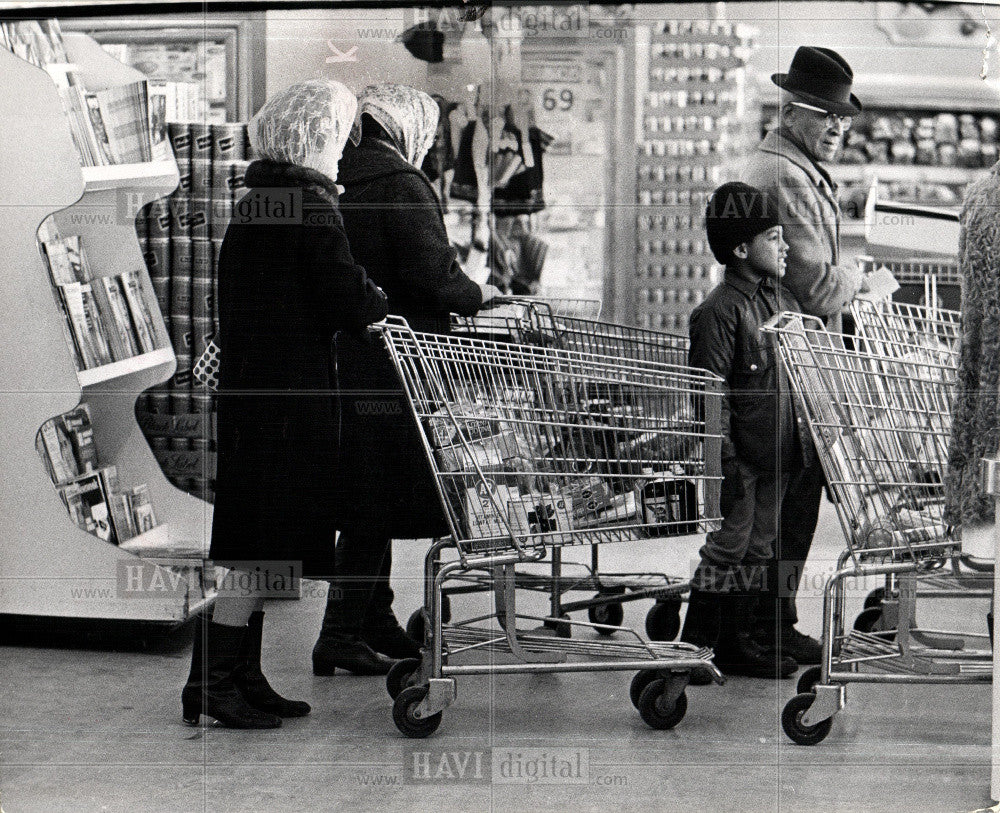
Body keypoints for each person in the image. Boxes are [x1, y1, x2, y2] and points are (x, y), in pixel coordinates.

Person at [181, 79, 389, 727]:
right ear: (320, 135)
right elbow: (344, 293)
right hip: (290, 403)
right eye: (340, 134)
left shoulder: (261, 199)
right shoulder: (312, 203)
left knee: (259, 539)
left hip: (254, 394)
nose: (343, 150)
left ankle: (239, 673)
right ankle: (214, 681)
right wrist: (378, 305)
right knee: (261, 547)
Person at [311, 83, 501, 676]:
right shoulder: (402, 183)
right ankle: (340, 633)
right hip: (400, 362)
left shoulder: (336, 175)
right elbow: (430, 276)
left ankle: (374, 618)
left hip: (349, 357)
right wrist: (480, 295)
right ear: (409, 127)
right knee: (373, 501)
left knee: (370, 491)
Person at [742, 46, 868, 665]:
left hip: (794, 361)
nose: (839, 128)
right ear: (792, 112)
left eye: (844, 118)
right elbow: (817, 285)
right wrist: (857, 276)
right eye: (826, 116)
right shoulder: (785, 177)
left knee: (789, 498)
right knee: (785, 499)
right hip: (785, 364)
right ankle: (763, 627)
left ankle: (773, 622)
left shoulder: (790, 167)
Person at [682, 182, 809, 680]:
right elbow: (710, 398)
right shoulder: (718, 313)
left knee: (761, 545)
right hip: (740, 461)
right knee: (728, 546)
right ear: (741, 249)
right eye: (774, 237)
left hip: (777, 452)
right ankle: (695, 643)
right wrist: (724, 465)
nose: (786, 247)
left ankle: (739, 641)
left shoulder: (776, 303)